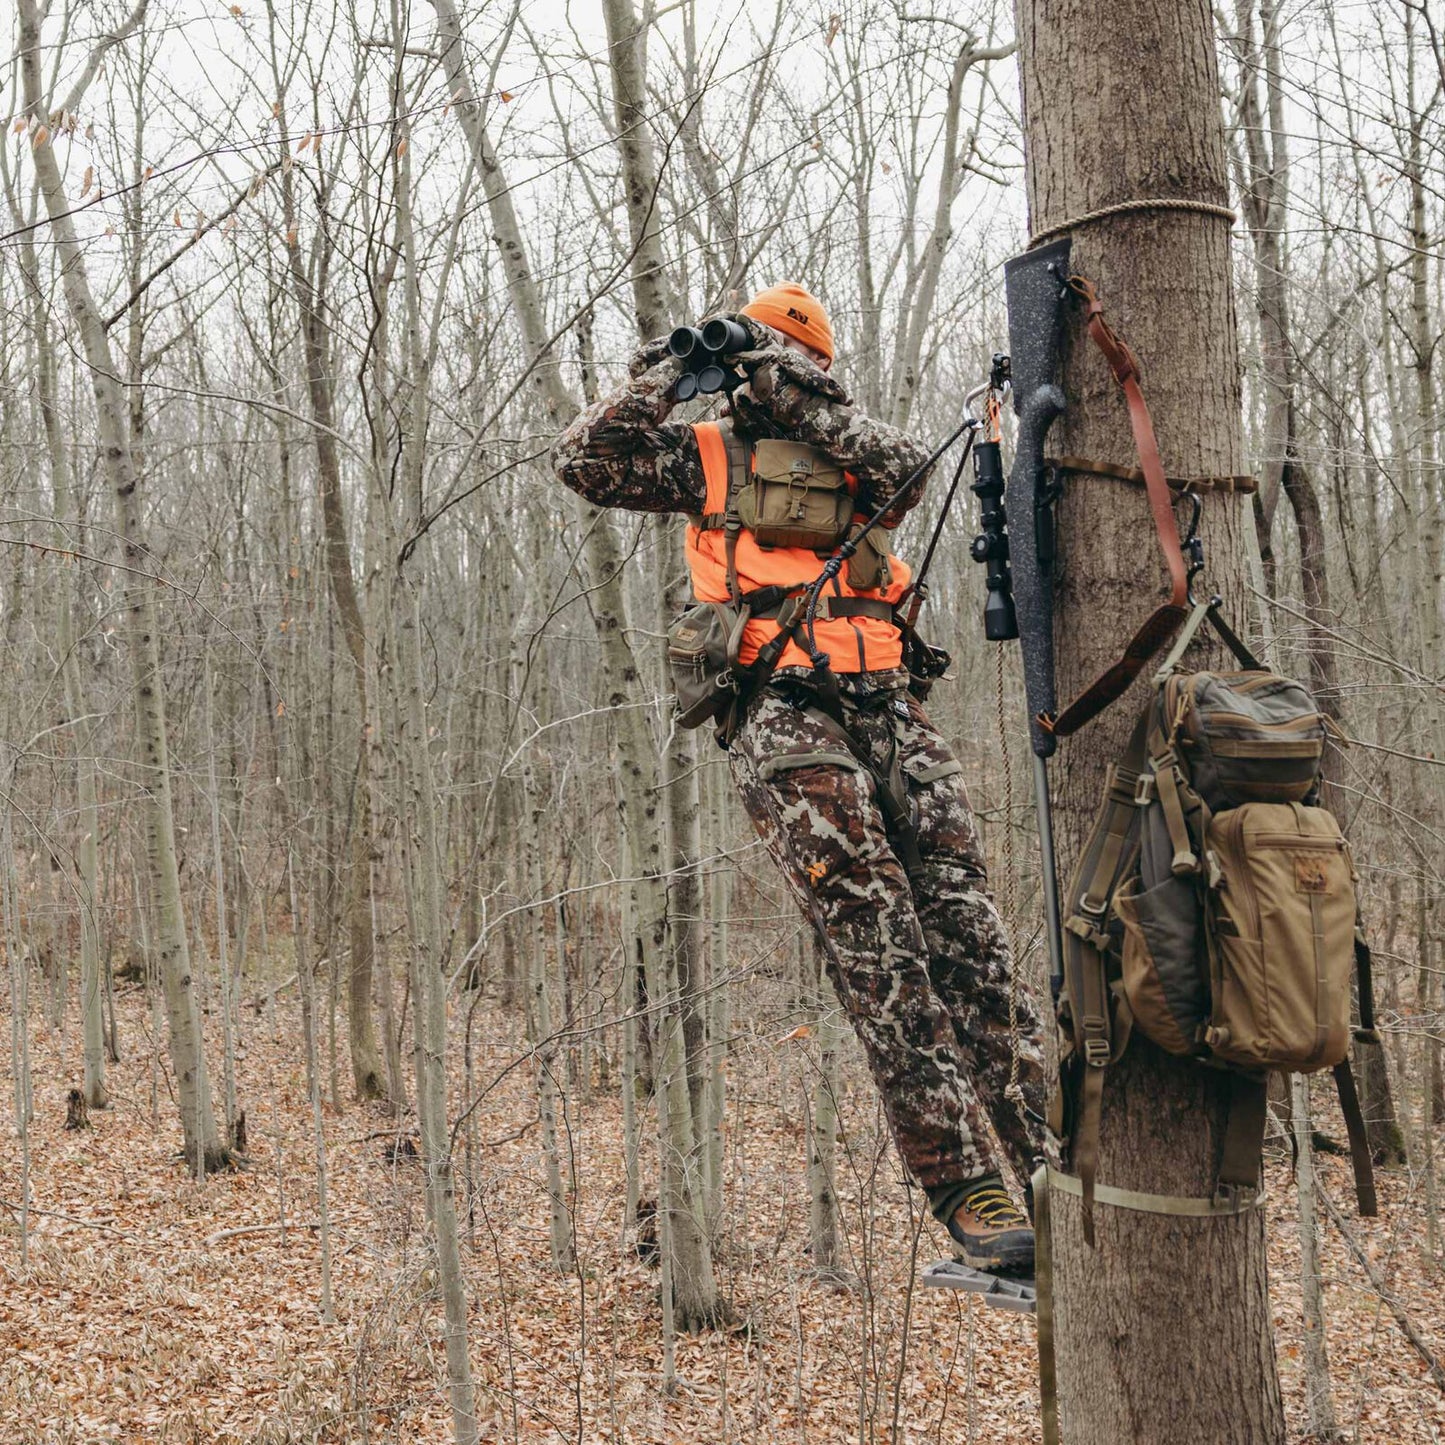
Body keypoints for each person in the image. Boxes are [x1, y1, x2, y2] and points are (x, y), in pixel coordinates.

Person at [552, 282, 1047, 1274]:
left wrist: (782, 379)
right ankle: (966, 1184)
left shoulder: (854, 451)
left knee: (974, 947)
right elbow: (584, 461)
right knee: (881, 945)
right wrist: (669, 373)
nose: (751, 377)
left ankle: (1054, 1162)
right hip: (784, 713)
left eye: (774, 358)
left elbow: (907, 472)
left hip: (891, 710)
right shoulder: (709, 459)